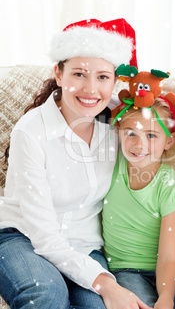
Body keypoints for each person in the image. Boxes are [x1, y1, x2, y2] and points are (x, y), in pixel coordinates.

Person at [0, 18, 152, 309]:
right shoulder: (31, 132)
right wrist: (106, 283)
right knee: (46, 293)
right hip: (23, 237)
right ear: (58, 74)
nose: (91, 89)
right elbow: (44, 236)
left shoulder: (118, 127)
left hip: (83, 246)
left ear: (116, 82)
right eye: (79, 74)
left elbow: (161, 104)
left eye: (103, 77)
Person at [102, 97, 175, 309]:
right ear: (119, 133)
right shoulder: (111, 165)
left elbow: (168, 256)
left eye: (151, 135)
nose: (139, 144)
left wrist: (166, 298)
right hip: (125, 269)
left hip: (169, 270)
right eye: (131, 133)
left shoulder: (170, 185)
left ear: (169, 141)